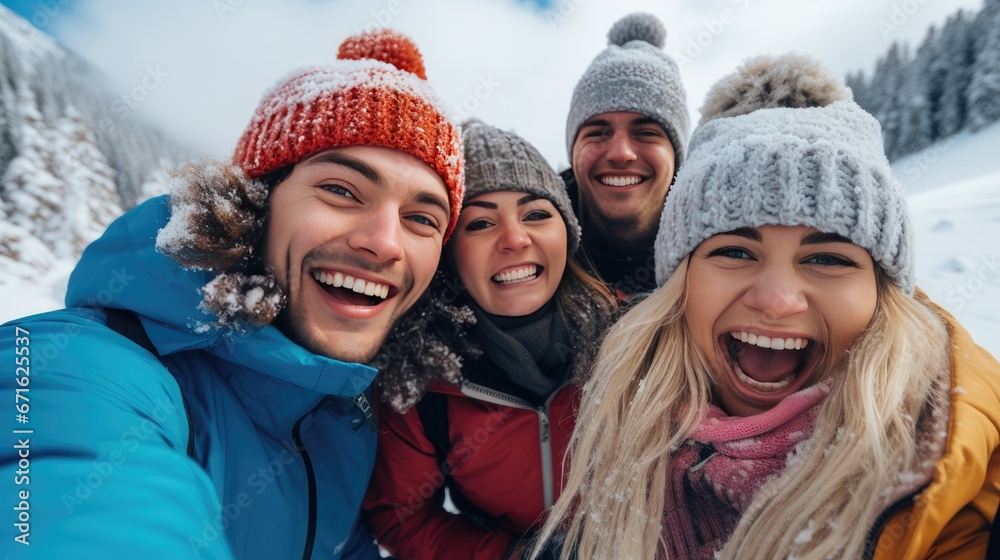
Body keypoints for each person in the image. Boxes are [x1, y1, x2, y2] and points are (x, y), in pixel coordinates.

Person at [0, 29, 463, 560]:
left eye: (422, 219)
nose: (384, 243)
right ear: (256, 203)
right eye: (340, 190)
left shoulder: (345, 419)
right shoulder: (82, 364)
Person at [533, 53, 1000, 559]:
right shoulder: (622, 441)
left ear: (883, 292)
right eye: (735, 251)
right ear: (679, 284)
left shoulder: (960, 508)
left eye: (827, 258)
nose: (776, 302)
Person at [361, 120, 619, 559]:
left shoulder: (632, 337)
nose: (515, 239)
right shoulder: (420, 384)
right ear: (448, 256)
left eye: (537, 214)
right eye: (480, 223)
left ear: (567, 233)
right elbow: (400, 514)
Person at [562, 12, 690, 297]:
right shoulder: (523, 251)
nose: (621, 154)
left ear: (676, 156)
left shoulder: (722, 256)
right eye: (598, 132)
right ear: (573, 152)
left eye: (646, 133)